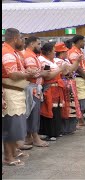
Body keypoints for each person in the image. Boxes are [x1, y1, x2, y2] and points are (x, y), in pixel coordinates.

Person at [2, 28, 34, 166]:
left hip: (16, 92)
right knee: (11, 125)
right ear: (15, 38)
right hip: (10, 92)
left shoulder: (13, 52)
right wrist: (28, 73)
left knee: (16, 123)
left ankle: (14, 152)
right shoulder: (7, 53)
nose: (22, 41)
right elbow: (13, 75)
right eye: (21, 38)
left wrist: (27, 72)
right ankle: (8, 157)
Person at [23, 36, 50, 147]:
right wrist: (43, 73)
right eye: (38, 44)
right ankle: (34, 136)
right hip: (32, 87)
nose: (40, 46)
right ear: (32, 44)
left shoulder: (33, 55)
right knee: (33, 113)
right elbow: (32, 73)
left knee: (33, 112)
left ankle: (29, 136)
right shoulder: (29, 56)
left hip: (35, 87)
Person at [38, 42, 68, 141]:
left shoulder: (52, 61)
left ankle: (56, 131)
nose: (55, 53)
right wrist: (60, 69)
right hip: (49, 88)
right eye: (53, 51)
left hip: (57, 88)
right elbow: (48, 76)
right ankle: (49, 133)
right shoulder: (43, 61)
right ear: (48, 52)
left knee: (57, 110)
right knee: (49, 109)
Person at [54, 42, 82, 135]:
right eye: (65, 51)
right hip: (66, 85)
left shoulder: (62, 60)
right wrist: (77, 61)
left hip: (67, 84)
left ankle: (69, 127)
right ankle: (67, 128)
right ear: (61, 53)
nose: (67, 53)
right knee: (68, 107)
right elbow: (71, 70)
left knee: (70, 107)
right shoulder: (59, 61)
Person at [67, 35, 85, 126]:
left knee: (84, 98)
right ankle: (79, 121)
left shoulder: (79, 51)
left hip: (83, 78)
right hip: (79, 78)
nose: (84, 43)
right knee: (80, 99)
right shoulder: (73, 52)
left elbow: (84, 66)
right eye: (83, 41)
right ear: (79, 41)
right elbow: (78, 68)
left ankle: (81, 119)